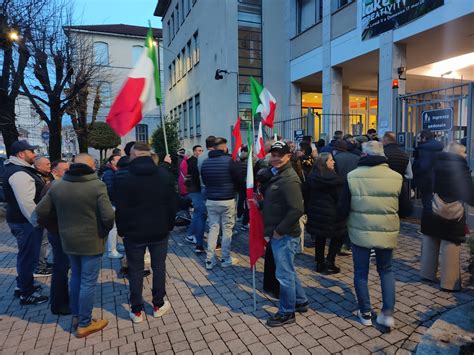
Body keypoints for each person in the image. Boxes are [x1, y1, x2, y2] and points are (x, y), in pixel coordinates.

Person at [35, 153, 115, 337]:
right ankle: (84, 323)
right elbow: (108, 216)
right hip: (91, 241)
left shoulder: (58, 185)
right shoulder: (97, 185)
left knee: (76, 277)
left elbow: (41, 210)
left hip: (68, 240)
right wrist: (103, 231)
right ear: (91, 166)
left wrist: (60, 226)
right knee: (88, 282)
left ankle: (77, 316)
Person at [339, 141, 402, 328]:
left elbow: (342, 208)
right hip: (387, 230)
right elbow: (406, 208)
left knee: (361, 273)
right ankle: (387, 313)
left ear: (364, 155)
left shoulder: (352, 176)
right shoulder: (396, 177)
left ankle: (365, 313)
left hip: (360, 230)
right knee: (386, 270)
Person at [114, 143, 177, 323]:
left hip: (134, 233)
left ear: (133, 156)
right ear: (149, 155)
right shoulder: (163, 174)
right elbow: (172, 204)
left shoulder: (124, 177)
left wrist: (122, 230)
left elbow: (121, 208)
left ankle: (137, 310)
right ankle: (158, 304)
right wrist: (169, 225)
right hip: (159, 231)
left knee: (135, 270)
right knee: (159, 267)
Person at [261, 141, 307, 327]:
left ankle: (287, 312)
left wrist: (279, 231)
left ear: (288, 156)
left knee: (284, 274)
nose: (276, 158)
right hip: (279, 232)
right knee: (288, 269)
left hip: (284, 235)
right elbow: (276, 204)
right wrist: (259, 204)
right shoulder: (278, 174)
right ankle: (300, 301)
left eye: (280, 155)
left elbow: (297, 209)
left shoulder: (289, 178)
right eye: (273, 154)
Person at [420, 142, 474, 291]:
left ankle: (427, 273)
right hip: (453, 212)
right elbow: (468, 194)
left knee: (430, 240)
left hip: (432, 208)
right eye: (464, 152)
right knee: (450, 245)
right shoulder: (462, 169)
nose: (466, 155)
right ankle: (449, 283)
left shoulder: (434, 164)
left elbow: (424, 185)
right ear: (458, 153)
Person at [4, 140, 48, 305]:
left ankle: (23, 285)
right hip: (25, 222)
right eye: (31, 151)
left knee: (26, 256)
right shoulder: (19, 173)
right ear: (21, 154)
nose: (34, 154)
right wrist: (37, 222)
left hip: (22, 221)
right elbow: (26, 203)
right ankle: (26, 293)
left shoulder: (17, 170)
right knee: (28, 257)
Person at [35, 159, 71, 315]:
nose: (68, 171)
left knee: (63, 266)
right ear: (55, 172)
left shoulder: (60, 185)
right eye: (65, 169)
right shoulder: (52, 187)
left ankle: (63, 299)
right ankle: (58, 304)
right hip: (57, 233)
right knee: (61, 267)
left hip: (60, 232)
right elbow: (42, 212)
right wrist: (52, 227)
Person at [201, 137, 243, 269]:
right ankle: (225, 258)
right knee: (227, 230)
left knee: (213, 229)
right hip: (227, 200)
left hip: (211, 200)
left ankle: (209, 260)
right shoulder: (229, 161)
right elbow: (239, 180)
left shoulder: (206, 162)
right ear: (224, 147)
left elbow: (205, 180)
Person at [306, 153, 346, 274]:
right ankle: (330, 261)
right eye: (331, 160)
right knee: (338, 236)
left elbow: (306, 194)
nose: (333, 162)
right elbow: (339, 198)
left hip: (316, 212)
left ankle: (319, 262)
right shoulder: (334, 179)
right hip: (332, 213)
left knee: (320, 237)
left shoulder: (312, 176)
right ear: (325, 162)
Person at [413, 130, 443, 218]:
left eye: (420, 138)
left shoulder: (423, 149)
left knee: (427, 202)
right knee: (438, 202)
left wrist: (415, 177)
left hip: (426, 179)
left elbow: (423, 166)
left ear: (424, 138)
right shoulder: (441, 146)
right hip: (439, 178)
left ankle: (428, 226)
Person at [33, 156, 54, 277]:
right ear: (38, 166)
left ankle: (42, 263)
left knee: (44, 241)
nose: (49, 166)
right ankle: (40, 267)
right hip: (40, 214)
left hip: (43, 214)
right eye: (47, 164)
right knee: (42, 241)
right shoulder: (36, 178)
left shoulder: (45, 176)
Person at [184, 145, 206, 253]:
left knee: (199, 213)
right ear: (194, 152)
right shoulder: (193, 162)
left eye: (202, 150)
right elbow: (196, 177)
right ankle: (190, 235)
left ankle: (191, 234)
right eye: (199, 150)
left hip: (195, 190)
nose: (201, 152)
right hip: (196, 190)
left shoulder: (196, 160)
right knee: (199, 213)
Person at [102, 153, 123, 259]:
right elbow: (110, 190)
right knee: (113, 227)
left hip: (114, 202)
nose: (120, 161)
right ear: (111, 162)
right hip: (112, 203)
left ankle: (115, 245)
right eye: (117, 159)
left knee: (117, 226)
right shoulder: (109, 173)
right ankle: (112, 250)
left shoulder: (114, 171)